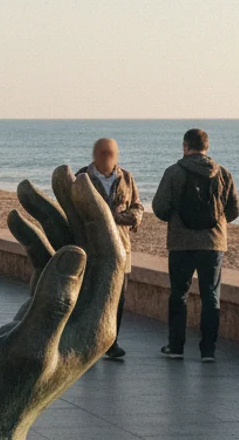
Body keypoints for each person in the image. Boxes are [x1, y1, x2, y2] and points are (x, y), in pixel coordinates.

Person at [152, 128, 239, 363]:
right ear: (207, 147)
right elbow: (235, 210)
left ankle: (176, 347)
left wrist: (177, 218)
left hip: (181, 243)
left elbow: (159, 208)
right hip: (213, 244)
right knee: (210, 296)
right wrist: (216, 222)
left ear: (185, 146)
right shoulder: (222, 173)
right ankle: (208, 351)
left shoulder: (174, 172)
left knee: (179, 295)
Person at [75, 138, 144, 361]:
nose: (106, 156)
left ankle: (112, 342)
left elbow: (137, 208)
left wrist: (114, 218)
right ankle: (88, 342)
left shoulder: (127, 177)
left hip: (121, 247)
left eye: (110, 153)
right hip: (92, 247)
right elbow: (76, 211)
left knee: (119, 297)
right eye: (102, 152)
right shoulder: (82, 177)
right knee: (91, 294)